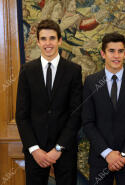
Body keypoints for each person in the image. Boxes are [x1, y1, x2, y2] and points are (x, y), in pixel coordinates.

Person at [16, 19, 82, 185]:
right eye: (43, 39)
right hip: (35, 152)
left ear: (59, 40)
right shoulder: (27, 71)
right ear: (38, 42)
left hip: (65, 151)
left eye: (52, 38)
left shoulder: (73, 71)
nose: (48, 43)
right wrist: (34, 149)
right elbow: (21, 115)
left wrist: (58, 148)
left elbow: (76, 114)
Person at [82, 32, 125, 185]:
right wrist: (108, 154)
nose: (116, 56)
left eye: (120, 51)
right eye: (111, 51)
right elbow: (88, 123)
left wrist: (123, 155)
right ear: (103, 54)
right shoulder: (91, 83)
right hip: (100, 158)